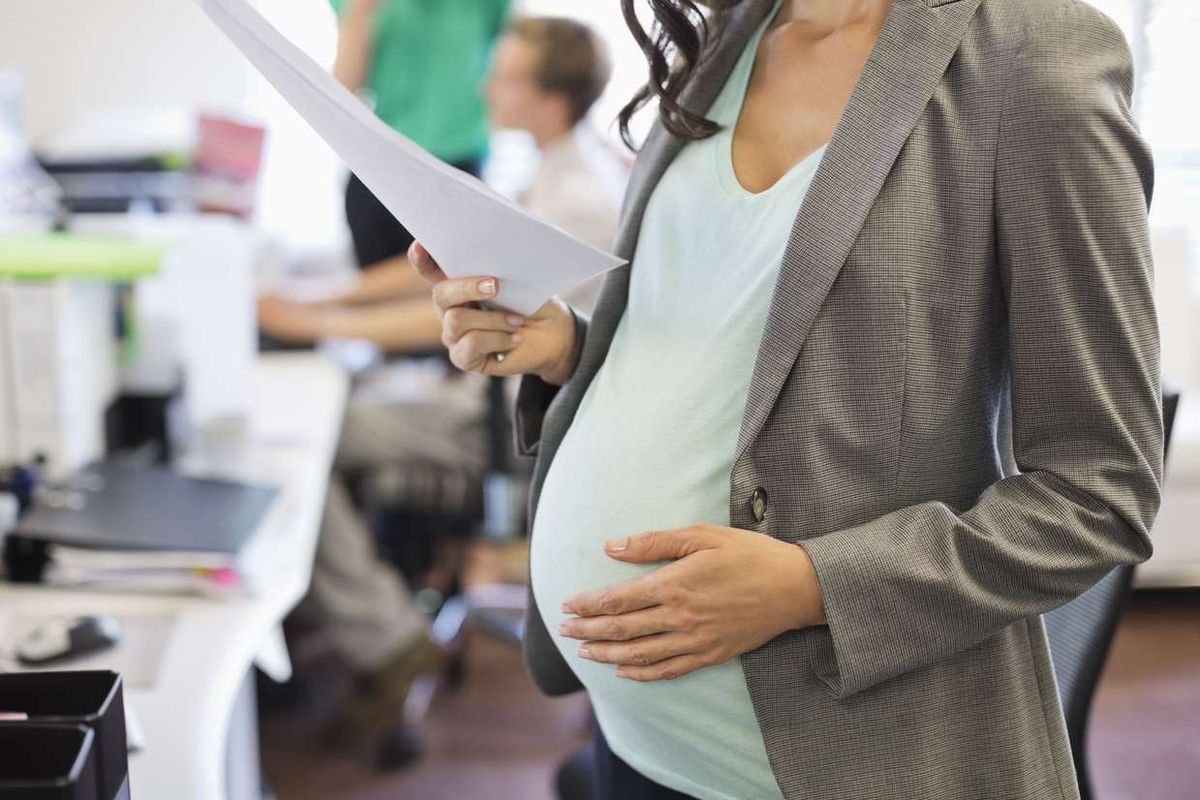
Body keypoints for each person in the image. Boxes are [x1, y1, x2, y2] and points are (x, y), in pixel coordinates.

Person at [413, 0, 1164, 799]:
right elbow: (727, 333)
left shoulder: (1031, 55)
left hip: (831, 758)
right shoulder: (726, 38)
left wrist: (813, 584)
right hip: (636, 737)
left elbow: (1100, 490)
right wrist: (568, 344)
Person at [263, 16, 627, 763]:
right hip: (485, 404)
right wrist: (331, 295)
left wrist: (309, 318)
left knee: (302, 439)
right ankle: (376, 625)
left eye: (504, 74)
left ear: (546, 97)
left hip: (505, 421)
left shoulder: (577, 196)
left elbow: (455, 313)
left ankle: (387, 640)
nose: (483, 85)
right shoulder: (558, 167)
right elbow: (446, 264)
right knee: (328, 411)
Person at [330, 0, 511, 268]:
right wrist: (360, 11)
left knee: (459, 291)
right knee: (372, 298)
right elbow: (343, 89)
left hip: (458, 170)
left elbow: (512, 66)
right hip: (380, 170)